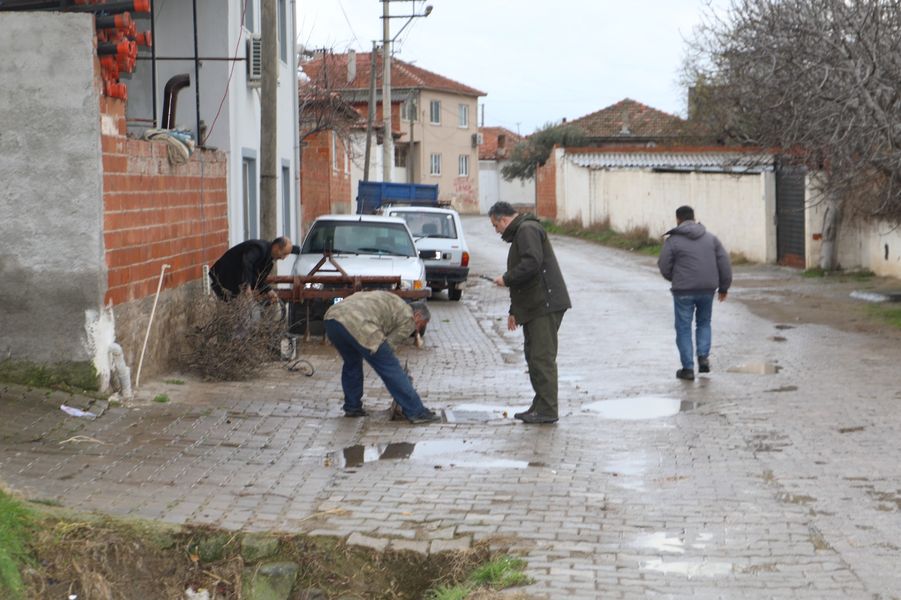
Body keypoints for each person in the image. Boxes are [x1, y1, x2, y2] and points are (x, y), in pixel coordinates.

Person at [489, 201, 571, 424]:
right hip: (536, 305)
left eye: (496, 226)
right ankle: (540, 404)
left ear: (504, 220)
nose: (497, 231)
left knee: (541, 357)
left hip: (545, 303)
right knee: (533, 356)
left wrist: (506, 278)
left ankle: (547, 410)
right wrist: (514, 310)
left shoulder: (527, 230)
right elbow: (526, 277)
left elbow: (531, 264)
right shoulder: (523, 231)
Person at [324, 291, 440, 424]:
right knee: (391, 369)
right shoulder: (409, 318)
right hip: (359, 324)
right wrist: (399, 372)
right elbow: (388, 347)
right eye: (421, 324)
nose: (417, 329)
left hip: (332, 319)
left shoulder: (393, 301)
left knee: (352, 363)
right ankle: (417, 411)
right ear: (417, 315)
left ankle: (352, 407)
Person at [657, 205, 732, 381]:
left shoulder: (673, 241)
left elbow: (663, 265)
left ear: (678, 219)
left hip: (683, 290)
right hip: (707, 289)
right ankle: (703, 357)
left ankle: (688, 369)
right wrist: (724, 287)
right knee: (704, 323)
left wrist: (675, 278)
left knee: (683, 328)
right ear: (694, 217)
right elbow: (724, 263)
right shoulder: (711, 238)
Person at [209, 237, 299, 302]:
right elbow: (247, 263)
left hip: (233, 283)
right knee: (229, 312)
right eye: (283, 254)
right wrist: (247, 286)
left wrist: (268, 290)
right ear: (276, 247)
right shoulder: (259, 248)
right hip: (222, 277)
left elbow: (257, 278)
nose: (282, 258)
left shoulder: (268, 260)